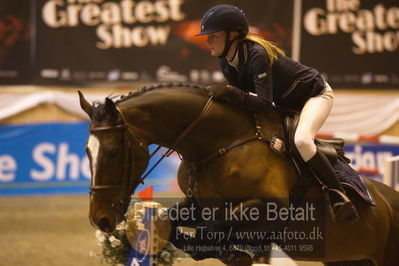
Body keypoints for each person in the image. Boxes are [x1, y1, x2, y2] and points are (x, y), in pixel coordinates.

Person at [195, 4, 359, 223]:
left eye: (213, 36)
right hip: (284, 104)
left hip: (314, 95)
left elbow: (262, 103)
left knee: (301, 140)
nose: (208, 40)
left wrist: (229, 94)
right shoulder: (226, 62)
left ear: (232, 35)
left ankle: (338, 195)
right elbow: (246, 102)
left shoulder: (256, 54)